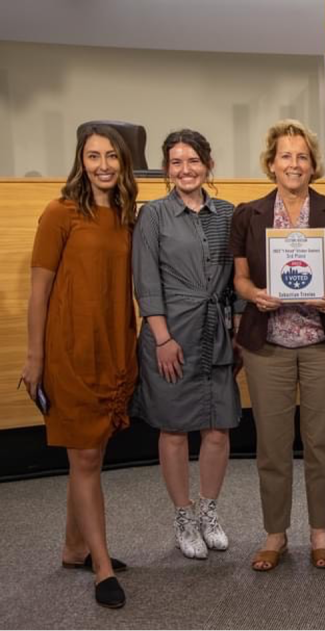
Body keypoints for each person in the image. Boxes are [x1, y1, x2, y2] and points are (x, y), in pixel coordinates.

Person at [230, 119, 325, 571]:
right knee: (273, 445)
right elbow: (240, 277)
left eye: (302, 156)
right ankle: (275, 533)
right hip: (268, 345)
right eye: (285, 155)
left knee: (321, 443)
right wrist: (253, 295)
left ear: (312, 164)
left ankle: (320, 531)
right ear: (271, 163)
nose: (294, 163)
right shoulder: (248, 213)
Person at [21, 124, 138, 608]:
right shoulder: (59, 213)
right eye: (94, 157)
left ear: (124, 162)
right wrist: (34, 357)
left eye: (111, 156)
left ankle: (74, 547)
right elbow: (39, 291)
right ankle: (102, 566)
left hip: (113, 345)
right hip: (69, 349)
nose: (104, 165)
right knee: (86, 457)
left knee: (92, 452)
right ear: (80, 161)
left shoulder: (129, 214)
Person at [131, 129, 241, 560]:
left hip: (216, 331)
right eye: (176, 162)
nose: (185, 169)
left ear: (208, 164)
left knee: (218, 427)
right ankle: (183, 514)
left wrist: (240, 328)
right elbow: (146, 280)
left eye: (193, 161)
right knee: (174, 429)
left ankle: (209, 511)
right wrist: (162, 338)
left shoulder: (227, 214)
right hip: (171, 332)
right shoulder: (154, 214)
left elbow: (238, 279)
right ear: (166, 170)